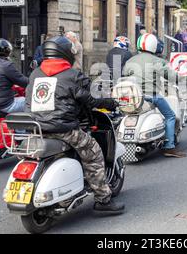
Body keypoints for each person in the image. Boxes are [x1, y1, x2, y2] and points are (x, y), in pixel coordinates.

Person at [26, 36, 124, 214]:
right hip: (62, 129)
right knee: (93, 152)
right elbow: (93, 99)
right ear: (65, 53)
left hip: (36, 128)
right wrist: (111, 103)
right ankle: (103, 200)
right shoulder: (72, 75)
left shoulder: (35, 73)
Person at [123, 33, 186, 158]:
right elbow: (171, 76)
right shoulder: (157, 61)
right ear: (154, 46)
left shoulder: (130, 60)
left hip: (133, 97)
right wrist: (182, 78)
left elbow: (125, 75)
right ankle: (169, 147)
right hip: (151, 96)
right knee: (170, 116)